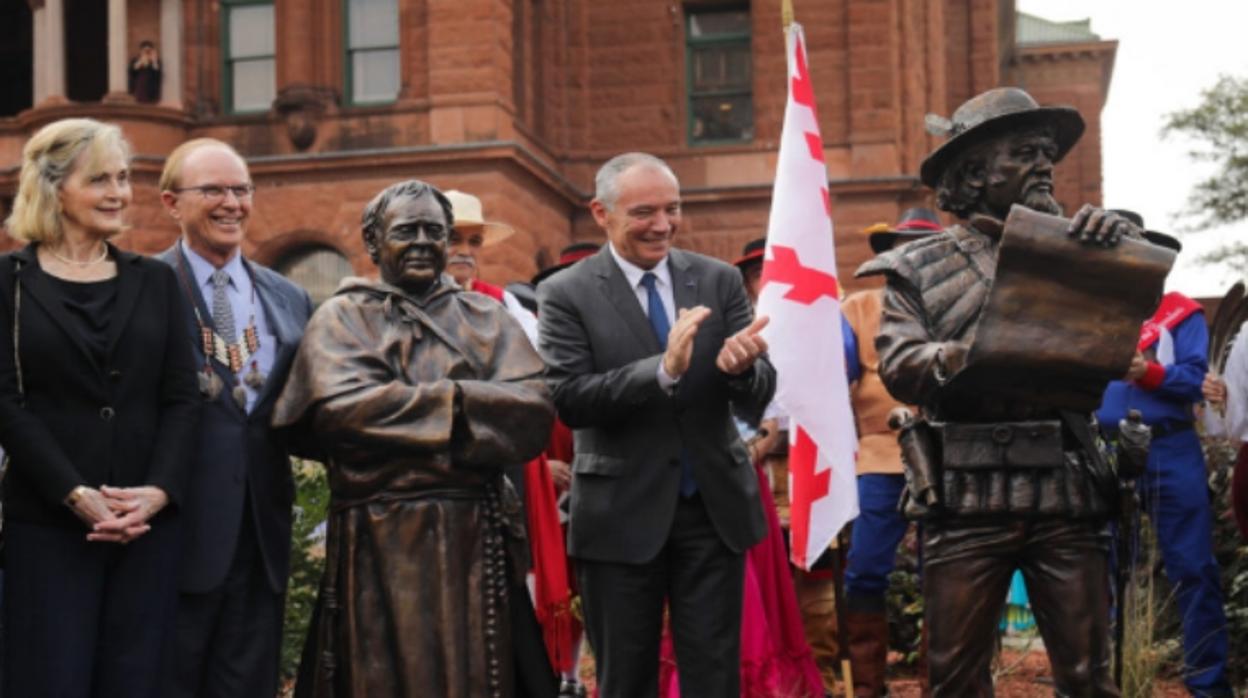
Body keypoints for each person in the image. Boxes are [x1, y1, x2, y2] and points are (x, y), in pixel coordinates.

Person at [858, 87, 1142, 696]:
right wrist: (985, 354)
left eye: (1047, 153)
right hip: (964, 497)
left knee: (1090, 678)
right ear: (975, 173)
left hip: (1066, 490)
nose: (1044, 165)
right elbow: (902, 365)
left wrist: (1113, 255)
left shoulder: (1083, 246)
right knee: (955, 679)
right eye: (1024, 152)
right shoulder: (920, 266)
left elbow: (1122, 341)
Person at [272, 179, 555, 698]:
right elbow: (340, 412)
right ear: (374, 242)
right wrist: (467, 403)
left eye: (435, 231)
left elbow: (532, 413)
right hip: (379, 531)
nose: (424, 241)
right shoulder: (342, 317)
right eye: (407, 230)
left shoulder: (486, 317)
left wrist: (399, 410)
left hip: (475, 530)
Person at [537, 152, 776, 697]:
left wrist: (743, 372)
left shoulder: (717, 281)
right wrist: (660, 371)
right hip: (619, 515)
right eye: (644, 212)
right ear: (601, 212)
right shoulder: (565, 294)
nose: (663, 225)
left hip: (713, 512)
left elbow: (759, 395)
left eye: (672, 209)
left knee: (716, 677)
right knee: (626, 678)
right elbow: (570, 399)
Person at [0, 117, 199, 696]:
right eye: (99, 180)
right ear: (53, 189)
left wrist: (159, 491)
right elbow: (6, 403)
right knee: (50, 680)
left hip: (146, 531)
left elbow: (183, 397)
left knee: (138, 681)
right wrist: (74, 493)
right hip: (48, 527)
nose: (119, 193)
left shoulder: (156, 282)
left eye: (122, 178)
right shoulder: (8, 283)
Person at [155, 138, 314, 698]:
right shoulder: (144, 288)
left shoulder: (291, 297)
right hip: (168, 538)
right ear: (172, 203)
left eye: (241, 189)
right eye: (214, 190)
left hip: (260, 539)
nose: (232, 203)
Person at [1095, 214, 1231, 698]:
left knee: (1192, 567)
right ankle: (1100, 681)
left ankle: (1209, 686)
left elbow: (1200, 381)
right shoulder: (1086, 311)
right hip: (1101, 450)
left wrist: (1147, 373)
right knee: (1097, 571)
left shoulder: (1181, 312)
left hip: (1170, 447)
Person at [841, 209, 941, 698]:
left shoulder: (958, 304)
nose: (912, 258)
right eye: (903, 248)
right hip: (879, 454)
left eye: (922, 249)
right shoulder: (858, 308)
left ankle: (940, 681)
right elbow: (835, 378)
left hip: (950, 456)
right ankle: (867, 686)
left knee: (948, 572)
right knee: (864, 566)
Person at [444, 189, 538, 342]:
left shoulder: (502, 300)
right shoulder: (408, 299)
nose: (465, 251)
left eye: (474, 242)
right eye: (454, 240)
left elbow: (538, 347)